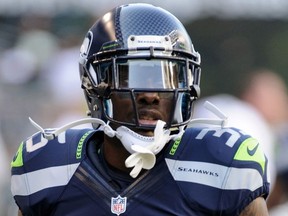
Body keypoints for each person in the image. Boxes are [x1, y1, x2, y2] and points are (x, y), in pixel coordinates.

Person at [11, 3, 270, 215]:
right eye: (130, 75)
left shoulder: (222, 167)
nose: (150, 94)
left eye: (167, 76)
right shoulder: (47, 169)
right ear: (94, 85)